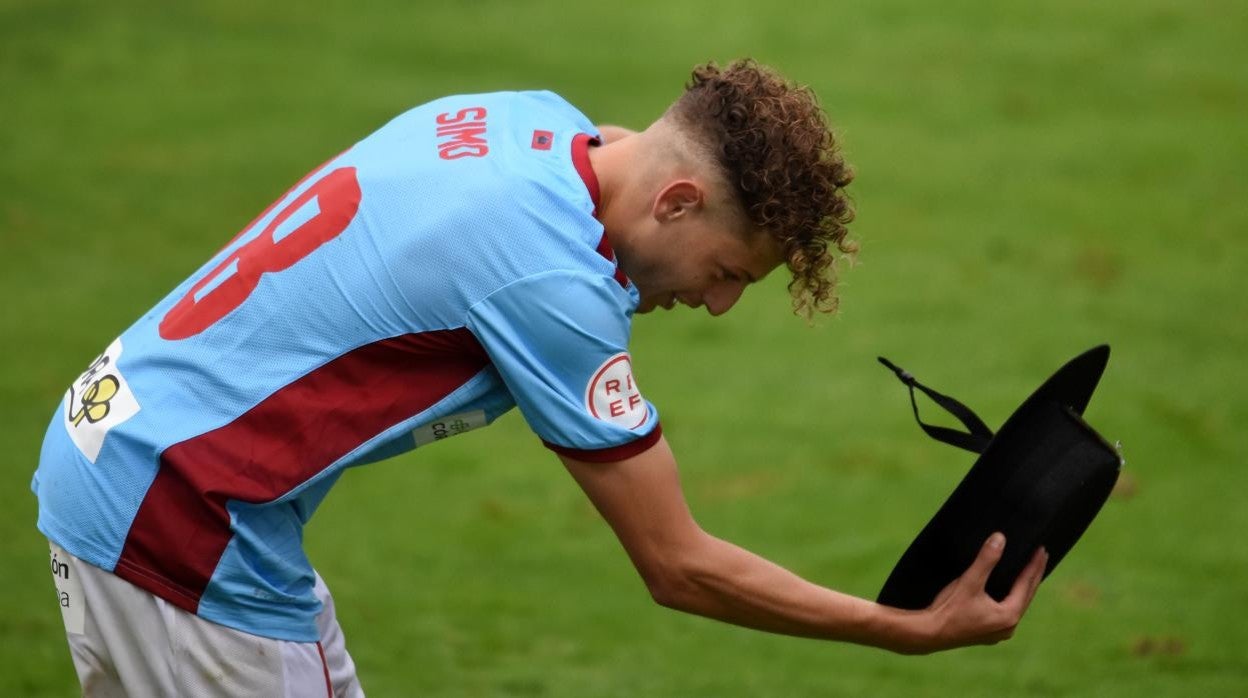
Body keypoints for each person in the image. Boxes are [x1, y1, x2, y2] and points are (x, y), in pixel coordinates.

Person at [34, 59, 1048, 695]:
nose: (720, 303)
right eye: (729, 271)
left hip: (121, 444)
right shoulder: (555, 283)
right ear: (680, 200)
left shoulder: (524, 120)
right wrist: (903, 629)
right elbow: (676, 563)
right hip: (179, 521)